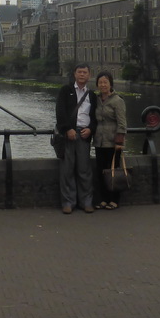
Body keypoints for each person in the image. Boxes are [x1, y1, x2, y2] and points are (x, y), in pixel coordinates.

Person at [55, 63, 98, 214]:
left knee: (84, 170)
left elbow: (95, 117)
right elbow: (60, 112)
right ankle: (68, 202)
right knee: (67, 170)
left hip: (84, 135)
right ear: (74, 74)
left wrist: (91, 129)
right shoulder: (66, 91)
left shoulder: (92, 95)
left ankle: (86, 202)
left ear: (89, 75)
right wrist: (67, 129)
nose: (82, 75)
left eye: (85, 72)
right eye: (79, 72)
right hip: (69, 135)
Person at [93, 71, 127, 210]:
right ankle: (103, 199)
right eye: (100, 82)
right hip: (99, 141)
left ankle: (114, 200)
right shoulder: (96, 100)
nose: (103, 85)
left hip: (113, 142)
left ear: (110, 84)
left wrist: (119, 141)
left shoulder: (117, 101)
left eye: (105, 82)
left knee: (113, 171)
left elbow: (122, 123)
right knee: (101, 171)